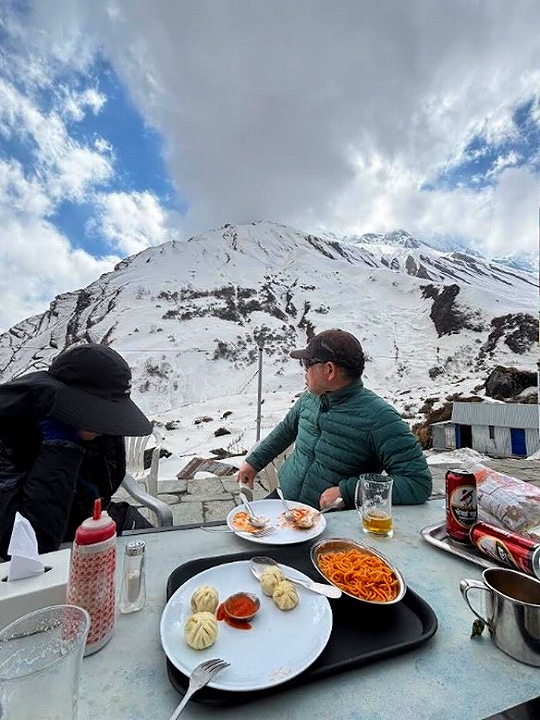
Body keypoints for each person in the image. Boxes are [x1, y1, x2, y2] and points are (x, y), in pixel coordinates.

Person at [237, 329, 432, 510]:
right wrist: (254, 462)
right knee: (243, 528)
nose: (304, 371)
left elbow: (418, 483)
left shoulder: (379, 417)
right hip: (284, 500)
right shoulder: (310, 398)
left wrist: (348, 491)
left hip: (329, 516)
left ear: (329, 370)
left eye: (307, 364)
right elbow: (286, 430)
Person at [0, 343, 152, 558]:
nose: (105, 425)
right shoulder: (8, 437)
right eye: (99, 413)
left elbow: (100, 495)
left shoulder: (87, 432)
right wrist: (60, 449)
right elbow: (29, 545)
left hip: (82, 525)